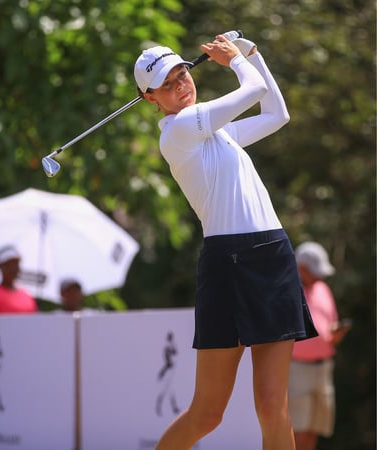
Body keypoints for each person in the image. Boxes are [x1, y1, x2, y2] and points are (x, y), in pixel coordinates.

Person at [133, 35, 317, 449]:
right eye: (168, 83)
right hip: (226, 264)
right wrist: (236, 61)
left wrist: (254, 55)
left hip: (272, 256)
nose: (181, 83)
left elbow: (276, 112)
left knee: (274, 408)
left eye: (183, 73)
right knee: (208, 413)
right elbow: (250, 90)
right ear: (151, 99)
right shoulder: (178, 131)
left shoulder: (221, 134)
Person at [289, 242, 351, 450]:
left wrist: (335, 335)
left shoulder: (323, 289)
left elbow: (329, 325)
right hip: (296, 368)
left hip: (323, 367)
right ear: (301, 268)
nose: (319, 277)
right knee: (297, 427)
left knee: (314, 427)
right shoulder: (287, 290)